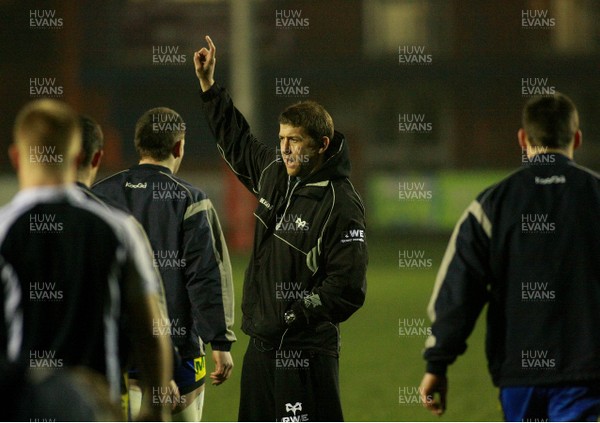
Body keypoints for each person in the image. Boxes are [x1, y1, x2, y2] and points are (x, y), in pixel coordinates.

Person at [194, 36, 368, 421]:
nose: (285, 149)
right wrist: (209, 87)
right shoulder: (274, 173)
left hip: (305, 353)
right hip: (261, 348)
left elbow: (348, 286)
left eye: (295, 141)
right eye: (281, 139)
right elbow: (236, 140)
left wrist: (295, 313)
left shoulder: (340, 203)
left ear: (321, 144)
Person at [419, 93, 600, 421]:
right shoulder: (595, 195)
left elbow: (457, 290)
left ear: (522, 139)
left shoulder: (492, 205)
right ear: (576, 138)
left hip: (519, 373)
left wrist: (438, 363)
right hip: (585, 373)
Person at [0, 99, 172, 421]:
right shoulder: (120, 229)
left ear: (16, 157)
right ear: (79, 157)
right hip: (94, 412)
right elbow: (152, 326)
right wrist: (155, 407)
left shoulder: (3, 231)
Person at [93, 106, 236, 421]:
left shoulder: (100, 196)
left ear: (139, 144)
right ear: (178, 147)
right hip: (178, 348)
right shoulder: (190, 200)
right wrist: (220, 340)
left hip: (113, 347)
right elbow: (206, 275)